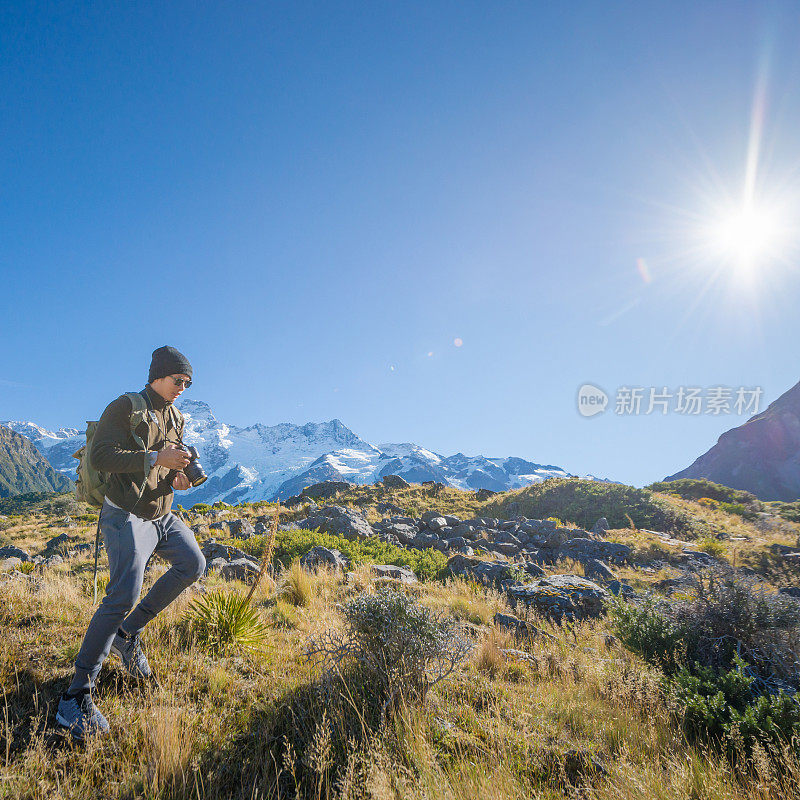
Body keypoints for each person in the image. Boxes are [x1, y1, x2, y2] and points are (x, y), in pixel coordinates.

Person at [56, 346, 206, 740]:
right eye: (179, 380)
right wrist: (154, 457)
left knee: (193, 565)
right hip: (125, 514)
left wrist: (180, 480)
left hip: (162, 515)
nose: (183, 388)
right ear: (159, 374)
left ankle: (126, 636)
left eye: (188, 383)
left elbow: (167, 470)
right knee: (122, 593)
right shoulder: (125, 406)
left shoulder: (176, 417)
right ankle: (76, 695)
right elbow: (103, 456)